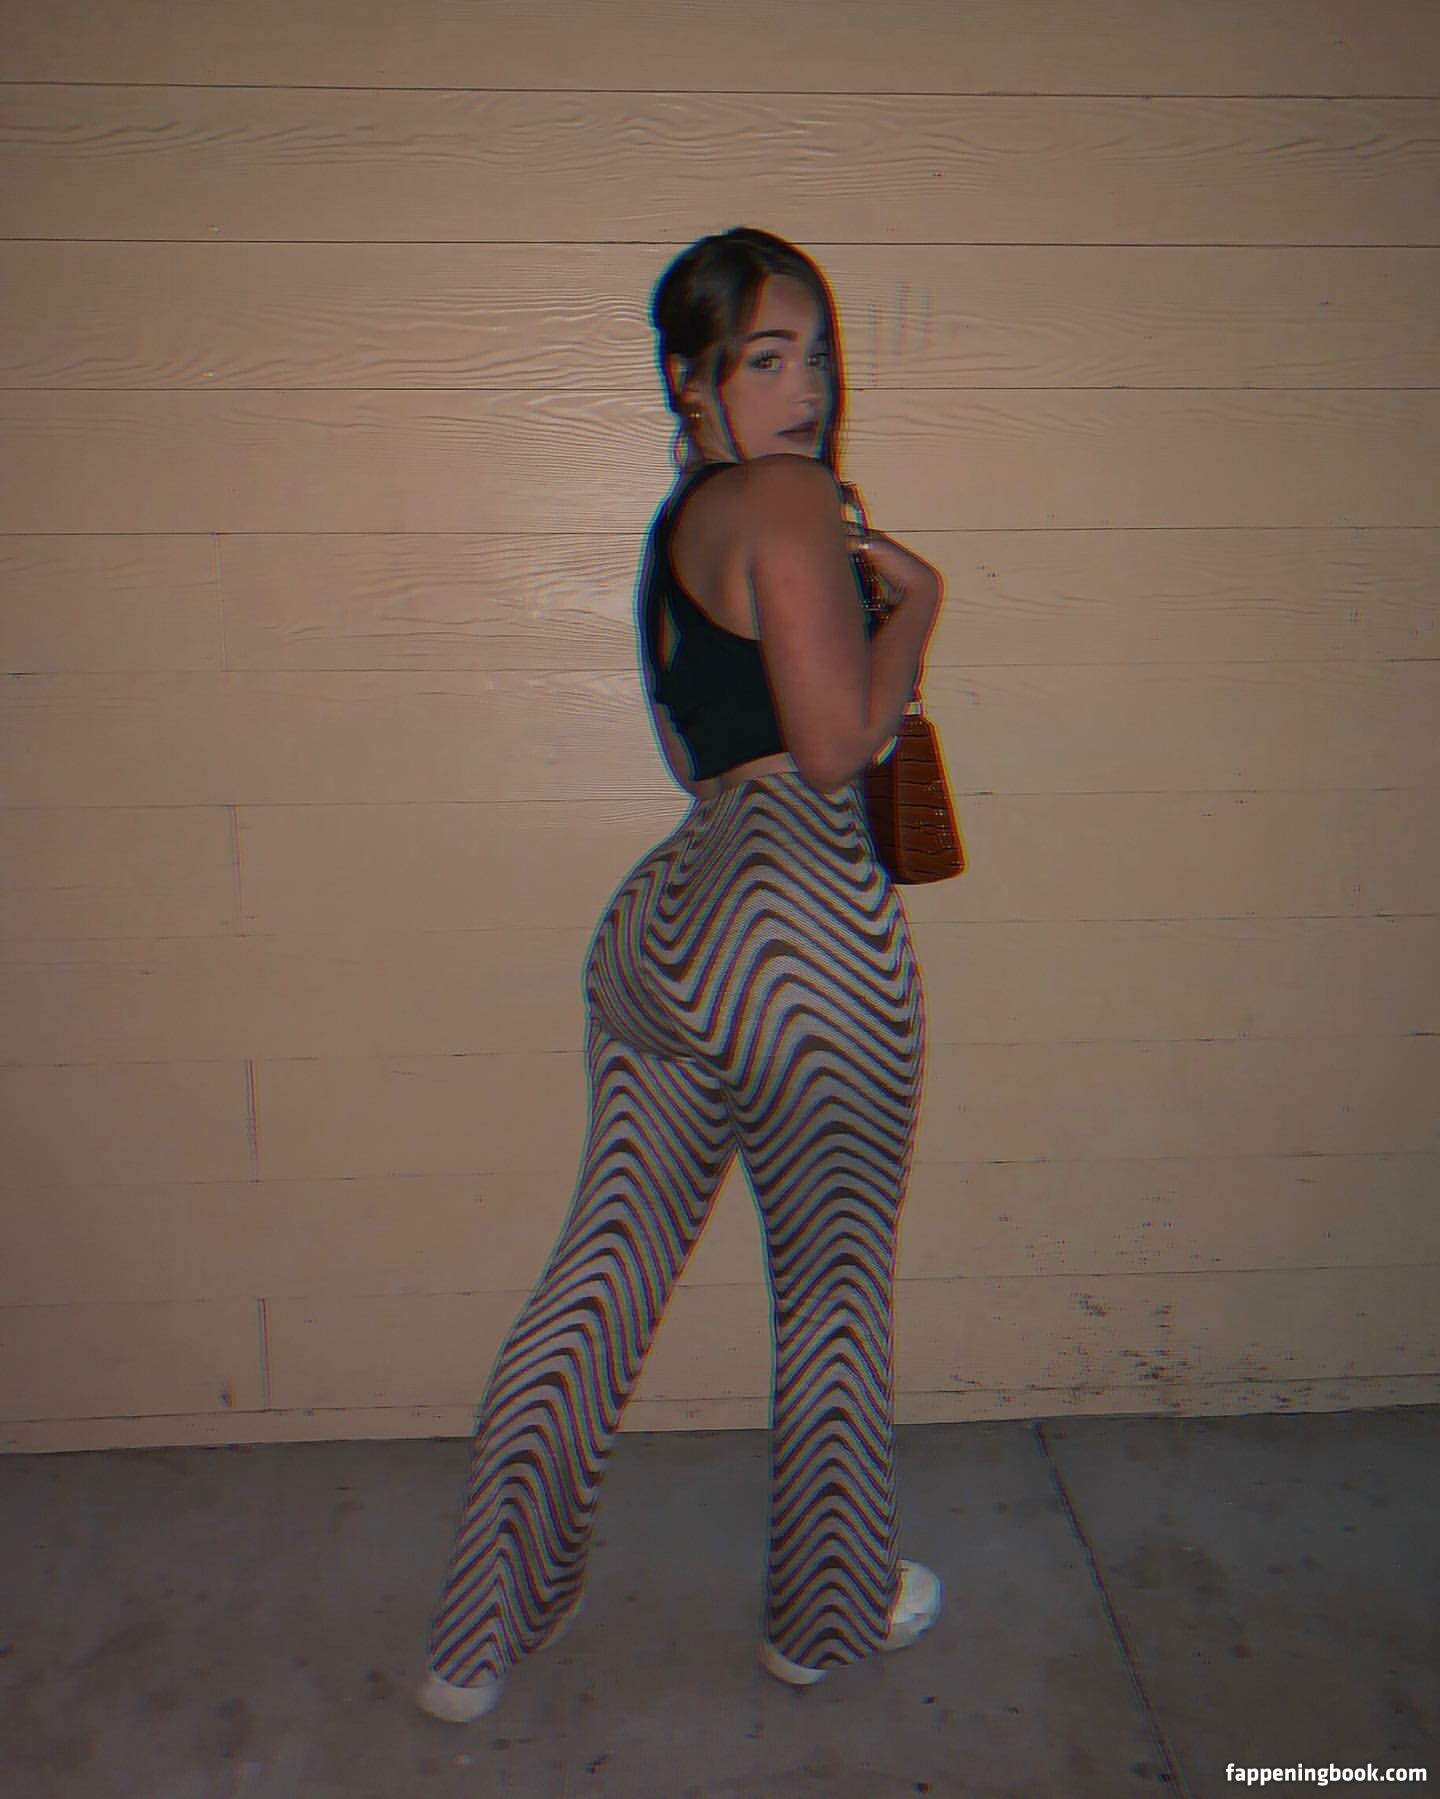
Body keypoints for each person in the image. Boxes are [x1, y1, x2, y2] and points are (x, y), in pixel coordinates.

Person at [415, 227, 945, 1724]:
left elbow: (688, 749)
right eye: (765, 358)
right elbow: (833, 750)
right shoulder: (792, 500)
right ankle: (826, 1617)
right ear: (689, 380)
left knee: (602, 1275)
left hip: (668, 922)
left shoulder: (674, 537)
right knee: (832, 1293)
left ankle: (477, 1635)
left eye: (818, 354)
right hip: (800, 920)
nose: (806, 388)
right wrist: (915, 612)